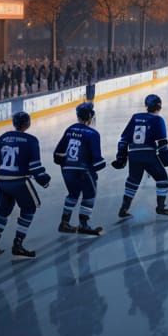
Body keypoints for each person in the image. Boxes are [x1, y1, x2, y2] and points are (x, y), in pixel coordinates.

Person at [0, 111, 52, 259]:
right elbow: (35, 168)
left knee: (2, 212)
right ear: (27, 124)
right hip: (19, 182)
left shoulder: (3, 137)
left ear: (14, 123)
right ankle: (18, 245)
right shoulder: (31, 140)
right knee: (29, 209)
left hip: (2, 183)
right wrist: (44, 179)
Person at [112, 94, 168, 219]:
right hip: (148, 155)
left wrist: (121, 157)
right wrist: (166, 159)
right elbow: (162, 143)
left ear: (146, 106)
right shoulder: (158, 119)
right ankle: (161, 207)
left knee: (133, 181)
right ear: (159, 106)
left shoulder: (136, 117)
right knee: (162, 178)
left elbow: (123, 140)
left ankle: (124, 208)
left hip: (133, 155)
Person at [53, 101, 106, 235]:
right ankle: (84, 224)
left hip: (67, 170)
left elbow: (57, 154)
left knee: (73, 195)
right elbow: (97, 161)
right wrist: (104, 164)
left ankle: (64, 223)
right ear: (90, 116)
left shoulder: (70, 129)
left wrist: (66, 165)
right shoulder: (93, 133)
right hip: (84, 171)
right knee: (89, 196)